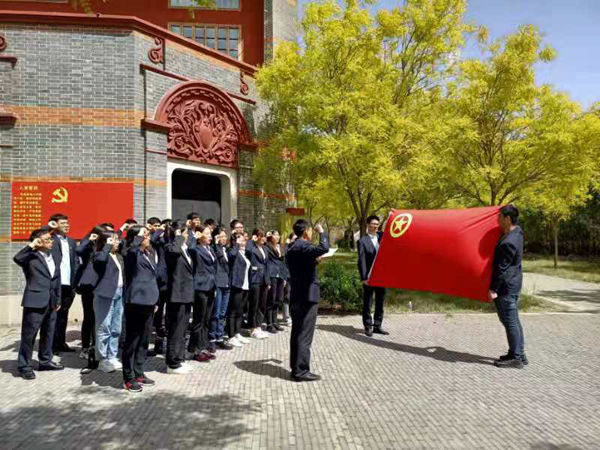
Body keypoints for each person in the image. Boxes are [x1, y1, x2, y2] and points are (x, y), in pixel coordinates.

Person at [14, 227, 64, 379]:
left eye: (51, 238)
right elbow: (17, 258)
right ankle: (24, 366)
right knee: (29, 335)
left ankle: (45, 361)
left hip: (51, 301)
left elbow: (56, 279)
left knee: (48, 333)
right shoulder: (30, 256)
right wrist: (32, 245)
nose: (51, 241)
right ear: (38, 241)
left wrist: (58, 298)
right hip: (35, 300)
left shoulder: (53, 256)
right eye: (47, 239)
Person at [286, 220, 329, 382]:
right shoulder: (303, 245)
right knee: (305, 333)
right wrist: (322, 232)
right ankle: (301, 371)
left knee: (297, 331)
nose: (312, 233)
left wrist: (315, 261)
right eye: (310, 230)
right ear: (305, 231)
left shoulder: (293, 247)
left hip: (297, 293)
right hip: (307, 295)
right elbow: (324, 247)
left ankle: (295, 367)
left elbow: (301, 266)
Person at [122, 225, 159, 393]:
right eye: (144, 235)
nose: (147, 237)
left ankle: (139, 372)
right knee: (132, 340)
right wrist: (137, 237)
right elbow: (130, 253)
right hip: (135, 301)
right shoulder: (131, 253)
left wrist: (155, 300)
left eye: (148, 234)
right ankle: (128, 377)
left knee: (144, 340)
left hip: (149, 301)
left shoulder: (149, 253)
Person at [489, 205, 527, 369]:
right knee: (514, 320)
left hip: (506, 287)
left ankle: (516, 358)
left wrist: (493, 289)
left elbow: (501, 270)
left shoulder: (508, 242)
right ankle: (518, 353)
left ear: (507, 219)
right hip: (514, 283)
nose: (497, 219)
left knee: (510, 321)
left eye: (499, 217)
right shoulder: (517, 232)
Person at [92, 231, 125, 373]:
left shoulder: (118, 256)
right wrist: (107, 246)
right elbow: (100, 261)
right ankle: (102, 359)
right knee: (104, 327)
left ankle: (112, 356)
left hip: (119, 293)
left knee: (116, 328)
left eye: (117, 240)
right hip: (105, 295)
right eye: (113, 240)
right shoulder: (99, 254)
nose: (117, 242)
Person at [164, 220, 194, 374]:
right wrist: (177, 236)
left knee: (182, 329)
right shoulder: (170, 247)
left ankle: (180, 358)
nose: (187, 235)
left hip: (186, 294)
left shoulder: (185, 248)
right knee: (175, 329)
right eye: (185, 232)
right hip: (177, 294)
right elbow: (174, 251)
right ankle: (172, 363)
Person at [48, 214, 80, 354]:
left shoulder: (71, 242)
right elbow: (37, 236)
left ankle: (60, 343)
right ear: (55, 225)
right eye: (62, 223)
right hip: (56, 284)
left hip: (69, 284)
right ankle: (50, 346)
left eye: (67, 223)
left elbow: (75, 262)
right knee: (53, 315)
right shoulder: (50, 239)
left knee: (63, 315)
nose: (66, 225)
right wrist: (49, 228)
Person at [187, 225, 218, 362]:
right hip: (200, 287)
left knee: (206, 318)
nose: (210, 236)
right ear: (200, 235)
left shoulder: (210, 249)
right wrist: (194, 238)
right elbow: (190, 249)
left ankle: (203, 346)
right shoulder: (196, 248)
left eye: (211, 234)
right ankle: (194, 349)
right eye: (207, 234)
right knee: (198, 319)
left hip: (211, 286)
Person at [74, 226, 104, 360]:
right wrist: (89, 239)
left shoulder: (105, 248)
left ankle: (96, 346)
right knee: (89, 317)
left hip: (102, 285)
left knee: (100, 319)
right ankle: (86, 347)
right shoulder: (88, 246)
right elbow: (78, 250)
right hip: (89, 286)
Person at [357, 215, 388, 337]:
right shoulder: (362, 241)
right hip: (369, 276)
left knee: (380, 301)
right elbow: (361, 260)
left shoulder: (382, 236)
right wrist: (364, 277)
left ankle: (377, 326)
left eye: (377, 224)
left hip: (381, 276)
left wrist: (391, 215)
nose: (375, 226)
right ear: (368, 225)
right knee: (368, 302)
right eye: (373, 224)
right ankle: (368, 326)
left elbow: (393, 232)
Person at [226, 232, 252, 347]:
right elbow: (231, 256)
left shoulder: (244, 253)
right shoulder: (233, 251)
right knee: (233, 311)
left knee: (240, 311)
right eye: (241, 239)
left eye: (243, 240)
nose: (243, 241)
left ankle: (237, 333)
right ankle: (231, 336)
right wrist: (236, 245)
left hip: (245, 285)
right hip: (236, 285)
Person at [148, 217, 168, 356]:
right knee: (156, 312)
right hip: (154, 280)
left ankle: (161, 343)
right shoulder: (152, 239)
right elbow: (152, 239)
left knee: (164, 313)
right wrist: (159, 230)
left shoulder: (165, 240)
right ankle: (155, 342)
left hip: (166, 281)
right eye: (155, 226)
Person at [211, 226, 233, 350]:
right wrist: (216, 244)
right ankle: (212, 339)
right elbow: (217, 257)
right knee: (216, 312)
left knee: (223, 313)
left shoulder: (227, 249)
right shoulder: (214, 249)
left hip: (226, 283)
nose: (224, 238)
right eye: (221, 236)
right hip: (218, 283)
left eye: (225, 236)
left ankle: (220, 337)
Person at [246, 229, 271, 339]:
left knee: (262, 304)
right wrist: (251, 240)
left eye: (264, 236)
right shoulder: (252, 247)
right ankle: (252, 327)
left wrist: (268, 281)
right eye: (261, 236)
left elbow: (267, 264)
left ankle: (258, 325)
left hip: (264, 279)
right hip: (255, 278)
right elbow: (247, 251)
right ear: (256, 237)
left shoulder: (265, 248)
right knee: (254, 304)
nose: (263, 238)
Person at [265, 230, 286, 333]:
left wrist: (285, 277)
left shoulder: (281, 247)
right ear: (271, 236)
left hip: (280, 275)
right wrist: (266, 237)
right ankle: (269, 323)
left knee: (279, 299)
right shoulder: (267, 246)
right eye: (275, 235)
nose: (277, 237)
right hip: (272, 274)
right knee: (271, 299)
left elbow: (283, 262)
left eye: (278, 235)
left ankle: (275, 321)